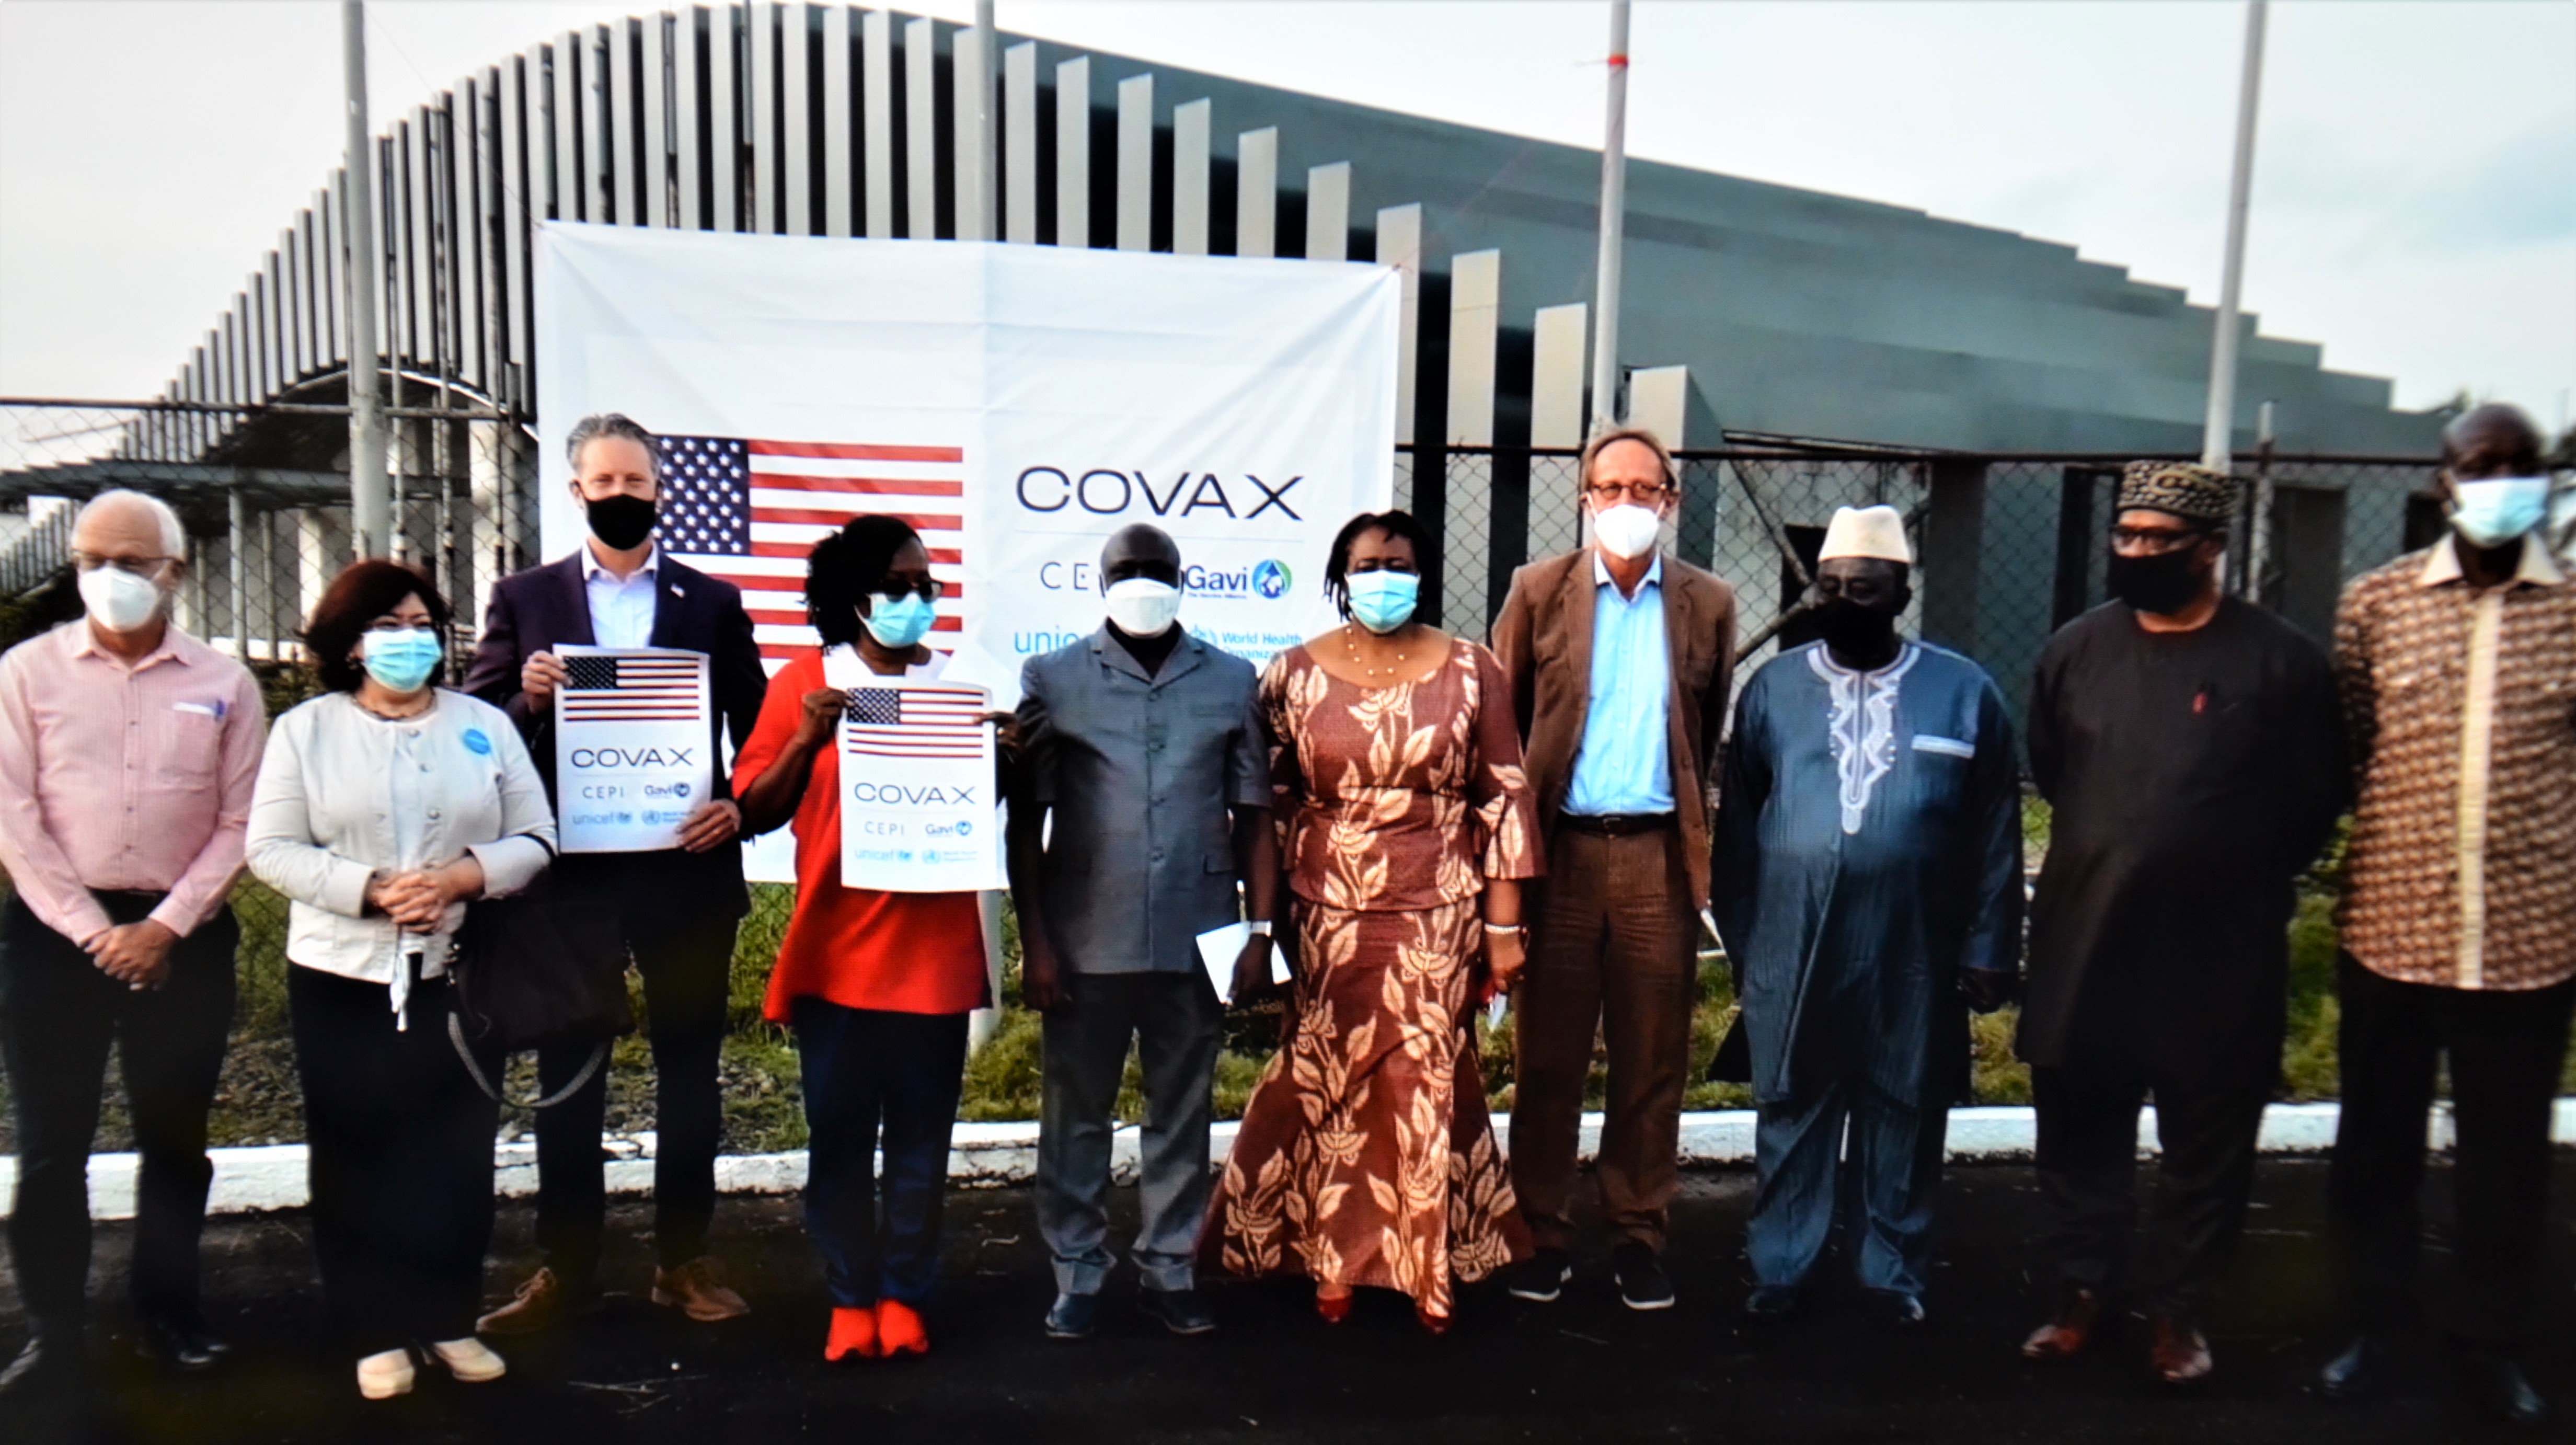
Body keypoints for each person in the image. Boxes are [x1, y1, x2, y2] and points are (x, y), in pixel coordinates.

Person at [2017, 462, 2345, 1386]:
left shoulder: (2281, 661)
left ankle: (2179, 1313)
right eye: (2129, 537)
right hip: (2092, 937)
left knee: (2207, 1138)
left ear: (2211, 548)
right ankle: (2083, 1293)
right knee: (2082, 1124)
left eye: (2163, 540)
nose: (2141, 553)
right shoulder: (2076, 651)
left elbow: (2315, 798)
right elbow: (2054, 770)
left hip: (2221, 950)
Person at [466, 412, 767, 1333]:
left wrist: (741, 807)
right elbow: (476, 725)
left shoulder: (710, 603)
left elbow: (756, 732)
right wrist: (529, 696)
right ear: (576, 492)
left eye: (638, 485)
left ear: (659, 491)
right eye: (606, 485)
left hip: (684, 870)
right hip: (571, 876)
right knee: (572, 1071)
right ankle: (567, 1264)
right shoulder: (526, 599)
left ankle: (684, 1258)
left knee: (690, 1070)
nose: (623, 499)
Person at [1201, 510, 1539, 1332]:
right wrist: (1263, 923)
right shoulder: (1289, 675)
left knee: (1420, 1083)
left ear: (1422, 574)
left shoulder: (1473, 669)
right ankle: (1332, 1261)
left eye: (1397, 562)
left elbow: (1502, 793)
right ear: (1339, 574)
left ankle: (1425, 1270)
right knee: (1330, 1082)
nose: (1380, 577)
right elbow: (1266, 809)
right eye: (1365, 564)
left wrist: (1502, 928)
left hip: (1438, 908)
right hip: (1323, 911)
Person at [245, 560, 556, 1401]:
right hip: (340, 976)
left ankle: (449, 1316)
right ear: (349, 643)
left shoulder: (482, 723)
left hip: (457, 977)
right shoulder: (304, 731)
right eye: (388, 626)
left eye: (423, 624)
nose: (409, 640)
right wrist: (373, 890)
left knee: (453, 1154)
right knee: (355, 1155)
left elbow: (537, 834)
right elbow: (270, 849)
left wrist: (461, 878)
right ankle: (373, 1330)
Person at [2320, 404, 2575, 1427]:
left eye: (2524, 465)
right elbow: (2354, 738)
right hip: (2391, 927)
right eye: (2482, 464)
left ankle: (2489, 1344)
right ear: (2442, 481)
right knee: (2373, 1149)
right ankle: (2373, 1330)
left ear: (2549, 483)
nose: (2502, 479)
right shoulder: (2373, 605)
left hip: (2527, 938)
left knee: (2505, 1163)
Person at [1712, 506, 2022, 1327]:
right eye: (1830, 585)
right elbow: (1739, 828)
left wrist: (1992, 945)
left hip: (1913, 950)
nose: (1844, 598)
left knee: (1905, 1107)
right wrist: (1748, 946)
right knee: (1791, 1106)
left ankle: (1893, 1274)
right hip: (1795, 944)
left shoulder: (1964, 693)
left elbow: (1996, 830)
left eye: (1865, 588)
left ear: (1901, 593)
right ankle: (1782, 1266)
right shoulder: (1772, 690)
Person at [0, 491, 265, 1395]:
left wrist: (161, 928)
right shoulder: (25, 674)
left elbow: (242, 822)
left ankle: (169, 1312)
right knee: (49, 1147)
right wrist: (92, 932)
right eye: (94, 561)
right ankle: (51, 1333)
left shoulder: (226, 685)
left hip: (180, 936)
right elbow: (15, 816)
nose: (112, 579)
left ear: (175, 571)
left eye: (133, 562)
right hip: (52, 938)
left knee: (176, 1140)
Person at [732, 514, 1005, 1363]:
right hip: (835, 944)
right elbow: (756, 809)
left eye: (928, 587)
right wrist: (810, 738)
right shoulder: (804, 682)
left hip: (931, 948)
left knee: (923, 1143)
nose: (917, 601)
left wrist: (1010, 754)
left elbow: (986, 802)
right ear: (855, 599)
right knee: (841, 1139)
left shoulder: (962, 682)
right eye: (900, 587)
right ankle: (850, 1296)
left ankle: (906, 1295)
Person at [1489, 427, 1738, 1311]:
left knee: (1651, 1059)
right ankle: (1542, 1233)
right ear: (1586, 498)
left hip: (1655, 859)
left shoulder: (1707, 603)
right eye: (1611, 487)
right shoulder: (1538, 591)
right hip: (1557, 857)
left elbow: (1702, 734)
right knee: (1548, 1060)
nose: (1628, 503)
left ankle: (1638, 1234)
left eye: (1646, 488)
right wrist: (1506, 885)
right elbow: (1501, 735)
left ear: (1670, 501)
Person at [1009, 523, 1275, 1342]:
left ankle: (1169, 1268)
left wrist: (1260, 930)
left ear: (1182, 580)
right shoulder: (1053, 677)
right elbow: (1027, 823)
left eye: (1158, 570)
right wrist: (1038, 942)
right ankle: (1078, 1274)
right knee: (1076, 1113)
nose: (1144, 582)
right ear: (1101, 581)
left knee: (1182, 1112)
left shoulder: (1231, 680)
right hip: (1086, 936)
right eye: (1128, 571)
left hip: (1197, 934)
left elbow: (1256, 815)